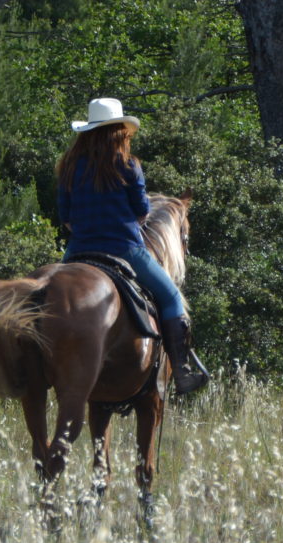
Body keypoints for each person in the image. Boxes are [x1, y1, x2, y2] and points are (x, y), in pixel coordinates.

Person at [56, 97, 207, 396]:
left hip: (78, 251)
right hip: (125, 249)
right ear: (119, 132)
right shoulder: (128, 165)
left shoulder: (69, 167)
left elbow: (67, 220)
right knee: (172, 298)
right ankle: (181, 372)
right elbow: (141, 212)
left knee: (49, 294)